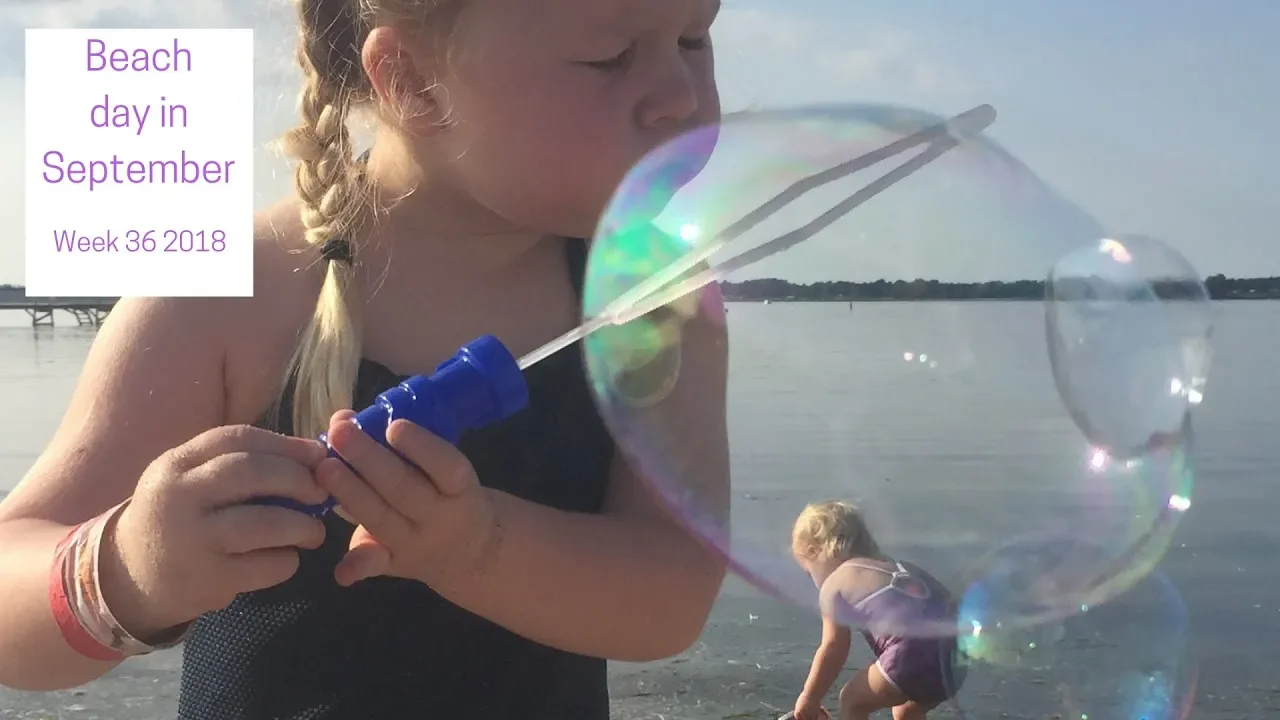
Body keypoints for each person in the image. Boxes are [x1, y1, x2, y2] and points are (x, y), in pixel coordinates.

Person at [0, 0, 730, 718]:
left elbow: (671, 603)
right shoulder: (230, 298)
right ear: (412, 82)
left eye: (695, 39)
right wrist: (128, 565)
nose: (682, 96)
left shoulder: (660, 303)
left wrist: (478, 550)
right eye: (610, 56)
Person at [789, 501, 964, 720]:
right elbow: (950, 604)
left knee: (852, 700)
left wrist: (810, 697)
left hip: (908, 654)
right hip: (955, 656)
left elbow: (834, 647)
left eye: (808, 572)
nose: (811, 580)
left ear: (815, 551)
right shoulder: (898, 566)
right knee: (907, 710)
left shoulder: (834, 584)